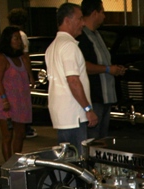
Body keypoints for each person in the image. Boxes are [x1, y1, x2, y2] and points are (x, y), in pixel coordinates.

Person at [45, 3, 98, 155]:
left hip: (62, 115)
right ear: (67, 20)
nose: (83, 23)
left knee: (66, 158)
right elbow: (73, 81)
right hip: (74, 115)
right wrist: (88, 109)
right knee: (77, 159)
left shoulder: (52, 47)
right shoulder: (69, 46)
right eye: (80, 19)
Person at [78, 0, 126, 138]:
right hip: (94, 97)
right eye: (102, 12)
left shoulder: (97, 35)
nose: (104, 16)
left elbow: (102, 60)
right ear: (94, 13)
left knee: (102, 137)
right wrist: (107, 69)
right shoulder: (82, 37)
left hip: (105, 97)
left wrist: (114, 69)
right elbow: (83, 66)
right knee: (93, 138)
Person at [0, 26, 33, 161]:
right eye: (16, 38)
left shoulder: (21, 58)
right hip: (6, 102)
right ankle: (8, 164)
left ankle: (15, 161)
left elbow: (28, 76)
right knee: (7, 136)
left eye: (20, 38)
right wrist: (4, 99)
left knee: (20, 134)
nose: (19, 41)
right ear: (8, 40)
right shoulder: (1, 58)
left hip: (21, 101)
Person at [8, 7, 37, 138]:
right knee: (23, 101)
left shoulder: (7, 34)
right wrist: (30, 75)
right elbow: (25, 57)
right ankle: (25, 127)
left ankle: (12, 123)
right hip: (20, 72)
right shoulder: (21, 36)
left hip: (9, 72)